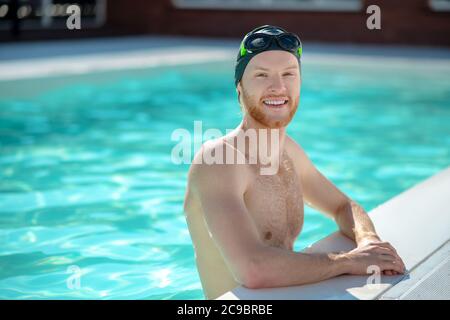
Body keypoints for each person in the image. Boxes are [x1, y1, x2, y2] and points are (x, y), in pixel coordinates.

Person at [183, 25, 405, 300]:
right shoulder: (219, 160)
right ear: (240, 88)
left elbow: (342, 206)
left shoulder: (288, 152)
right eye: (262, 75)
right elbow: (253, 269)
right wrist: (347, 262)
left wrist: (368, 241)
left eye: (289, 74)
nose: (278, 87)